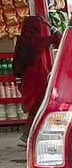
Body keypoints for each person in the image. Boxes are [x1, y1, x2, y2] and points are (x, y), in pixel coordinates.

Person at [13, 15, 60, 146]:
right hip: (38, 79)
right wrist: (51, 26)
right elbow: (59, 39)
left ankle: (30, 135)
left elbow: (17, 65)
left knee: (36, 107)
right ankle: (27, 136)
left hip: (26, 80)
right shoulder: (38, 41)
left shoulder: (21, 41)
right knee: (40, 106)